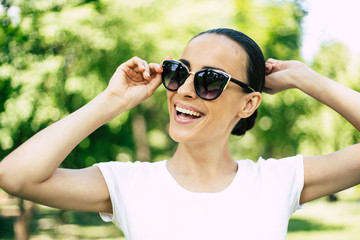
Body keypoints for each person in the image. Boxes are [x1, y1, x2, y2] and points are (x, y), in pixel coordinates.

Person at [0, 28, 359, 239]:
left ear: (248, 105)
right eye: (178, 72)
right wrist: (112, 101)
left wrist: (305, 79)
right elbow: (15, 176)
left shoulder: (279, 180)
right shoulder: (129, 183)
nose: (184, 90)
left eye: (209, 80)